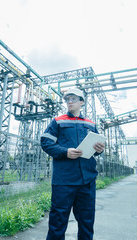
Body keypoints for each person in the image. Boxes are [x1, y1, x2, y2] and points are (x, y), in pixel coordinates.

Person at [40, 88, 105, 240]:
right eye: (67, 99)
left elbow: (95, 150)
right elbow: (45, 142)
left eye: (73, 99)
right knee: (58, 221)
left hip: (87, 180)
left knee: (87, 221)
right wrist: (65, 152)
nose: (69, 101)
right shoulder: (58, 121)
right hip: (64, 180)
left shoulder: (90, 124)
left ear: (81, 102)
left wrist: (99, 150)